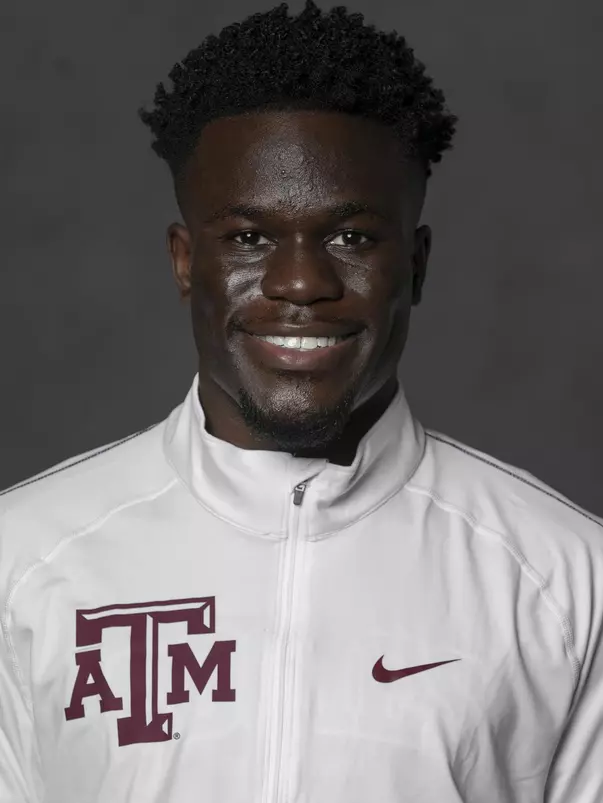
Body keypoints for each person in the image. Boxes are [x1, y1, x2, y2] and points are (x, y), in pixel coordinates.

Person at [1, 2, 602, 801]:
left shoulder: (564, 575)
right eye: (248, 237)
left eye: (351, 238)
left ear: (415, 265)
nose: (300, 284)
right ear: (186, 262)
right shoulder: (26, 558)